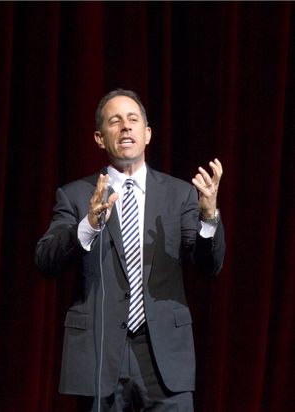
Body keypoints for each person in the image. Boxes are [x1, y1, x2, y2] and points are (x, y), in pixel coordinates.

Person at [35, 89, 225, 411]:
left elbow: (208, 266)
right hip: (100, 354)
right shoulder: (76, 196)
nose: (125, 126)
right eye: (115, 121)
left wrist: (209, 217)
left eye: (133, 120)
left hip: (163, 355)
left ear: (147, 134)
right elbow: (45, 260)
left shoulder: (180, 194)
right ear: (99, 138)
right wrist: (89, 225)